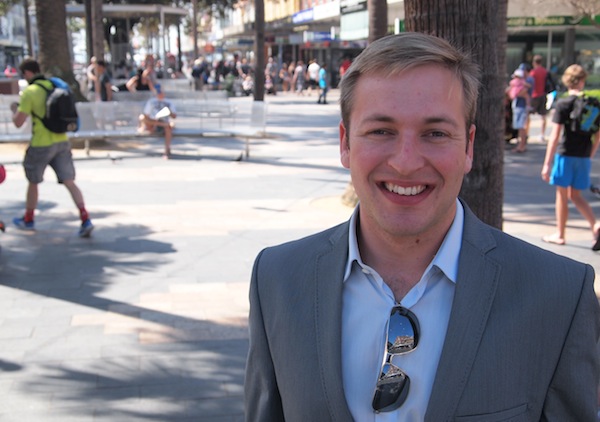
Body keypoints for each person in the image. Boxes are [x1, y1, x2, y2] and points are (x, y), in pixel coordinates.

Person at [245, 33, 599, 421]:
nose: (406, 162)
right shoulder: (276, 280)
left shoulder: (559, 295)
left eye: (435, 133)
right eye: (381, 130)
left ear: (468, 147)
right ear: (345, 143)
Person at [10, 59, 94, 237]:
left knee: (33, 181)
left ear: (27, 73)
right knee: (69, 182)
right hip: (62, 141)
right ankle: (85, 218)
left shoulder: (30, 92)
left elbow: (18, 122)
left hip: (41, 143)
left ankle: (28, 218)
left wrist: (14, 111)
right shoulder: (54, 85)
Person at [541, 64, 600, 250]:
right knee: (576, 195)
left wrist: (547, 163)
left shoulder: (563, 104)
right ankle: (595, 225)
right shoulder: (593, 104)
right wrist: (589, 155)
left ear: (567, 81)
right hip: (583, 156)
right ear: (582, 81)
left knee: (562, 195)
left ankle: (560, 234)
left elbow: (555, 135)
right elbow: (598, 134)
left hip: (565, 154)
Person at [139, 84, 177, 159]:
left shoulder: (169, 102)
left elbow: (174, 116)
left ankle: (166, 151)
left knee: (168, 128)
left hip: (164, 122)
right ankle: (163, 124)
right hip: (153, 122)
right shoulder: (151, 101)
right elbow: (146, 116)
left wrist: (169, 112)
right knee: (142, 117)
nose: (160, 93)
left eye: (161, 92)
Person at [506, 68, 530, 152]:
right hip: (518, 107)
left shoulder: (523, 87)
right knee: (520, 127)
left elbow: (521, 94)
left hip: (521, 107)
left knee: (521, 127)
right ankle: (520, 145)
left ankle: (521, 146)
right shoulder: (518, 86)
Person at [528, 55, 550, 141]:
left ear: (534, 62)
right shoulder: (545, 71)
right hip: (543, 95)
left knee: (528, 115)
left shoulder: (533, 72)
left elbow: (530, 84)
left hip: (534, 95)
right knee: (543, 116)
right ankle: (542, 134)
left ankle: (526, 133)